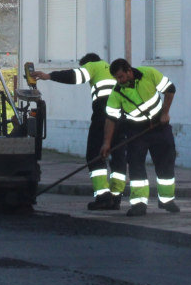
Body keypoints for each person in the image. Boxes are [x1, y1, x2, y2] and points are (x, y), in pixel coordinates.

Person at [33, 53, 125, 210]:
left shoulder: (94, 65)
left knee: (94, 155)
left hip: (103, 114)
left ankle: (103, 197)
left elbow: (75, 76)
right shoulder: (112, 69)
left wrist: (49, 76)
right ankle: (116, 197)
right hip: (122, 115)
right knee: (118, 155)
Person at [100, 58, 178, 217]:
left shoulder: (149, 74)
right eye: (116, 78)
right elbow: (111, 119)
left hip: (159, 126)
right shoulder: (117, 92)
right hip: (136, 131)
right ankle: (139, 204)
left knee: (166, 161)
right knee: (135, 165)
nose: (119, 81)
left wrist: (165, 113)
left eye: (121, 76)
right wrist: (106, 143)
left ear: (129, 70)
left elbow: (170, 89)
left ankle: (166, 199)